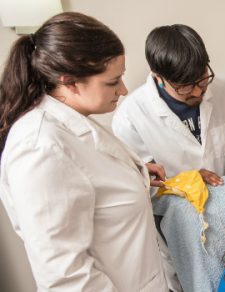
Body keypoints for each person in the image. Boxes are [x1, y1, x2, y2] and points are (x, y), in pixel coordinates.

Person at [0, 12, 168, 291]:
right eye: (113, 82)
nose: (123, 89)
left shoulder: (71, 121)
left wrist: (133, 174)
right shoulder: (39, 147)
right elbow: (65, 277)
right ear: (70, 81)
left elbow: (90, 185)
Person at [112, 24, 225, 186]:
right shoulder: (129, 117)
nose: (198, 93)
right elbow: (141, 180)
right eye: (186, 86)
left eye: (202, 80)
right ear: (159, 78)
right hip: (173, 209)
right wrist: (186, 182)